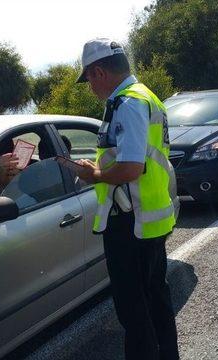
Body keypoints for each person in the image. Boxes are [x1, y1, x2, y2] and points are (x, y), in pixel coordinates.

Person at [74, 38, 179, 360]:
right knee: (155, 299)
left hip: (131, 221)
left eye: (88, 78)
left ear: (99, 72)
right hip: (148, 217)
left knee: (133, 310)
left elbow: (131, 167)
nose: (90, 86)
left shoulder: (128, 103)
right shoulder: (147, 97)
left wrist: (95, 176)